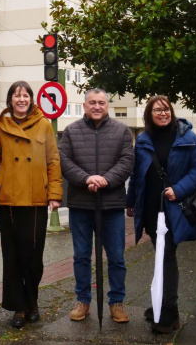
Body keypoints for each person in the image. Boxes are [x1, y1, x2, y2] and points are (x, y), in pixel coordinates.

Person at [0, 81, 63, 328]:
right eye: (16, 96)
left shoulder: (43, 124)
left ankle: (32, 302)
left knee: (33, 256)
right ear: (10, 100)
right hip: (7, 199)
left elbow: (53, 160)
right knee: (12, 255)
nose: (21, 99)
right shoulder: (0, 124)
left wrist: (55, 194)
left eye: (25, 95)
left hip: (36, 199)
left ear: (31, 99)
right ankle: (18, 306)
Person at [126, 95, 196, 333]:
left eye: (166, 110)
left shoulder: (187, 137)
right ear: (149, 115)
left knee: (167, 256)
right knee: (160, 254)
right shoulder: (142, 140)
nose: (162, 113)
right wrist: (131, 202)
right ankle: (159, 304)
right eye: (157, 110)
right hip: (151, 209)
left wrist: (179, 189)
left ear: (171, 112)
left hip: (175, 209)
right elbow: (136, 174)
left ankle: (169, 313)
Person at [58, 88, 134, 324]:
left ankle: (116, 302)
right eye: (92, 102)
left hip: (111, 205)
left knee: (116, 257)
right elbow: (64, 161)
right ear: (84, 105)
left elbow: (127, 161)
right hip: (81, 204)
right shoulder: (71, 132)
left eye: (101, 102)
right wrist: (86, 179)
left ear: (107, 106)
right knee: (81, 256)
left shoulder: (121, 131)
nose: (97, 106)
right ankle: (83, 300)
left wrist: (105, 179)